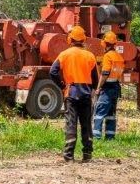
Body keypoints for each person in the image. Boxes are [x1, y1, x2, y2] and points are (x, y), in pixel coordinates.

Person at [49, 26, 100, 162]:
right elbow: (95, 78)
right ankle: (87, 155)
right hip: (86, 93)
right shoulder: (90, 56)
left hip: (71, 93)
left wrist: (62, 85)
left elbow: (52, 72)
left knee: (71, 123)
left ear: (70, 39)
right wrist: (93, 89)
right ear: (83, 39)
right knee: (86, 124)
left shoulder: (64, 54)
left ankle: (69, 156)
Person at [94, 31, 124, 140]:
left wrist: (98, 88)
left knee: (100, 112)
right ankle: (110, 137)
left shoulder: (107, 56)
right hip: (115, 87)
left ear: (105, 43)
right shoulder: (119, 57)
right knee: (111, 113)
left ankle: (96, 136)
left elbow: (105, 73)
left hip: (107, 88)